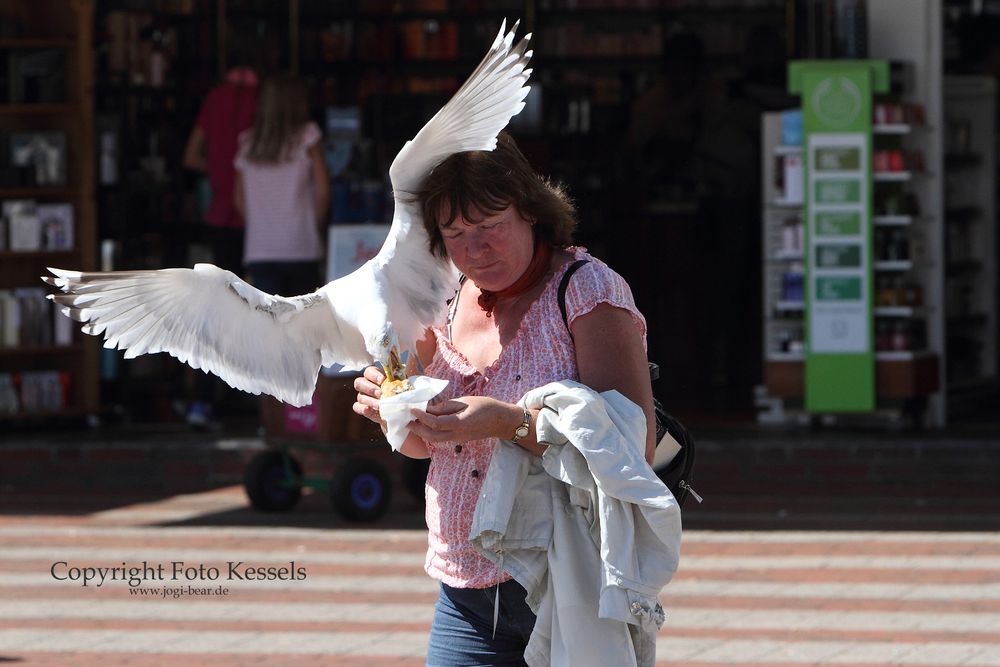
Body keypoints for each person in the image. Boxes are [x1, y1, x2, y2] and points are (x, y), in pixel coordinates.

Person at [353, 133, 658, 665]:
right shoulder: (441, 295)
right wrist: (396, 414)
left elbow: (634, 449)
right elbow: (429, 448)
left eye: (491, 226)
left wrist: (507, 424)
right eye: (455, 233)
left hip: (567, 583)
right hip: (463, 589)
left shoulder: (586, 291)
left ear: (531, 211)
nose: (475, 249)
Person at [181, 26, 265, 426]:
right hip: (262, 222)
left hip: (220, 217)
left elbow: (190, 156)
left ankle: (203, 399)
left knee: (215, 311)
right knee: (266, 311)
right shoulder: (265, 102)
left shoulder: (215, 99)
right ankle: (265, 405)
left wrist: (219, 175)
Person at [233, 73, 330, 298]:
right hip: (301, 245)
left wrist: (261, 224)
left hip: (260, 248)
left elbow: (238, 199)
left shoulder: (247, 144)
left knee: (269, 323)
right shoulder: (308, 137)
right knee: (304, 323)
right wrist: (312, 226)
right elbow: (323, 192)